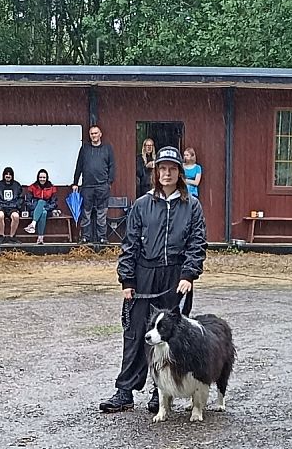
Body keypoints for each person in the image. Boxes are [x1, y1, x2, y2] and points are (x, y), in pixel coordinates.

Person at [99, 146, 208, 413]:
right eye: (162, 169)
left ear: (179, 173)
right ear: (156, 172)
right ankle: (124, 391)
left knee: (169, 338)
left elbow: (197, 243)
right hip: (144, 274)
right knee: (136, 334)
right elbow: (130, 244)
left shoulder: (191, 206)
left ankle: (161, 392)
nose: (166, 173)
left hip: (175, 276)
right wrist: (127, 280)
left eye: (172, 169)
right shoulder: (142, 205)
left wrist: (188, 275)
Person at [72, 125, 115, 244]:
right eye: (91, 133)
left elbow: (112, 166)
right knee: (86, 213)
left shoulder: (107, 148)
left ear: (100, 134)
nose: (94, 135)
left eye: (96, 133)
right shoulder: (84, 148)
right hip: (87, 186)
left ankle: (102, 237)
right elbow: (79, 165)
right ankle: (85, 237)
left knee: (102, 213)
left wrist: (109, 182)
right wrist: (75, 182)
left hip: (102, 186)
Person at [0, 166, 24, 244]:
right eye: (6, 174)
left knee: (16, 216)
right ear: (3, 175)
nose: (8, 176)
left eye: (10, 174)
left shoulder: (17, 185)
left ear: (12, 175)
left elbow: (21, 198)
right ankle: (2, 236)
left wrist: (15, 205)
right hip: (1, 207)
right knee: (0, 216)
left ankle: (12, 237)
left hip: (12, 207)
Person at [24, 169, 58, 245]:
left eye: (44, 177)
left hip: (48, 209)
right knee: (42, 208)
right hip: (34, 210)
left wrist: (45, 208)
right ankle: (40, 238)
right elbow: (27, 202)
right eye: (40, 177)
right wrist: (37, 208)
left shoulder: (52, 188)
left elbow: (54, 203)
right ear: (38, 178)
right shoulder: (32, 187)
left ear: (47, 178)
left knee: (43, 207)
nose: (42, 179)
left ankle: (33, 224)